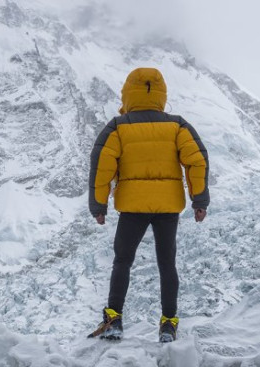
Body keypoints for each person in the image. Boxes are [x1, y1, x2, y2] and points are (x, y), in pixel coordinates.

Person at [87, 67, 209, 343]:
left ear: (128, 93)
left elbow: (102, 166)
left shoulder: (118, 126)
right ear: (161, 94)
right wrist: (199, 200)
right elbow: (196, 160)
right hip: (168, 207)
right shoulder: (178, 125)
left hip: (132, 207)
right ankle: (168, 324)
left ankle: (114, 319)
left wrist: (99, 205)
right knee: (167, 264)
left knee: (122, 262)